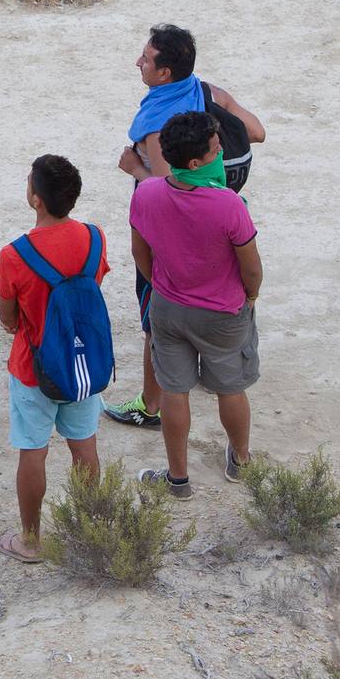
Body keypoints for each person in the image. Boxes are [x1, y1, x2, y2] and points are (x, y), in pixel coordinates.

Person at [105, 23, 265, 428]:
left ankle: (149, 405)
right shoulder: (208, 92)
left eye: (146, 59)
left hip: (171, 238)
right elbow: (257, 132)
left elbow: (165, 188)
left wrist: (135, 167)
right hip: (218, 225)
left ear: (165, 74)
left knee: (154, 322)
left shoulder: (161, 123)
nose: (137, 62)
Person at [130, 112, 263, 497]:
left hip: (170, 307)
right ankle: (240, 461)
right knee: (231, 388)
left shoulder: (148, 193)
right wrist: (250, 298)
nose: (221, 152)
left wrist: (160, 283)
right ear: (195, 163)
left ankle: (178, 479)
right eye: (215, 149)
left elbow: (140, 250)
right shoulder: (228, 205)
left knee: (175, 391)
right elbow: (251, 268)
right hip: (223, 313)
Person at [0, 155, 108, 562]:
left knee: (33, 450)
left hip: (34, 367)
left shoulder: (14, 255)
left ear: (36, 199)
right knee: (84, 447)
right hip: (83, 366)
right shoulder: (95, 238)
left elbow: (8, 315)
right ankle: (91, 530)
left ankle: (31, 539)